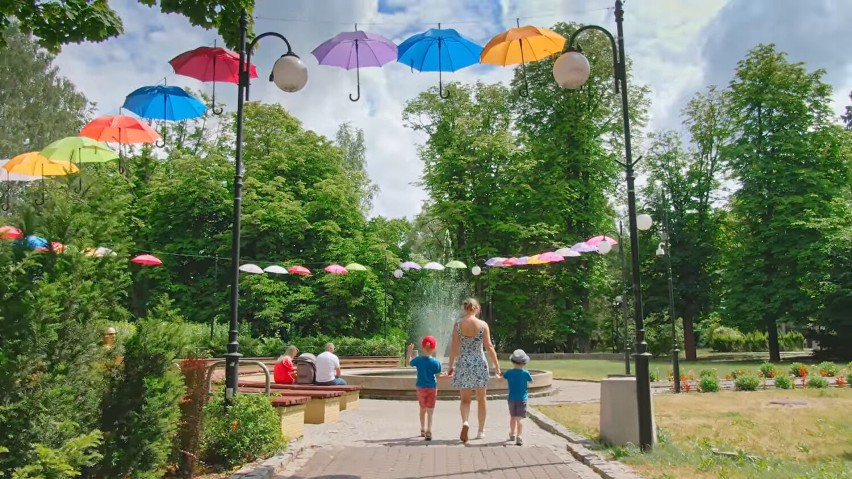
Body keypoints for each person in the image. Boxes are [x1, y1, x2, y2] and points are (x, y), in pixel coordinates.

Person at [447, 298, 501, 443]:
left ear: (464, 308)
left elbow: (454, 347)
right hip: (479, 362)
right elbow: (489, 346)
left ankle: (465, 422)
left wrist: (450, 366)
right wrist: (496, 366)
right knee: (481, 399)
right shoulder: (483, 325)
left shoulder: (458, 325)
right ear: (477, 308)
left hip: (463, 362)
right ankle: (481, 431)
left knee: (465, 400)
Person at [406, 336, 444, 441]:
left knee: (422, 409)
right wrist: (448, 376)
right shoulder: (436, 363)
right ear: (434, 348)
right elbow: (439, 377)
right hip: (432, 388)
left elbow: (407, 363)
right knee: (430, 411)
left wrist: (409, 351)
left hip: (421, 388)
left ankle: (422, 429)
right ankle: (429, 431)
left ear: (423, 347)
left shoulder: (418, 360)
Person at [500, 349, 533, 446]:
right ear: (524, 362)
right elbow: (531, 381)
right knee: (520, 419)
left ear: (512, 361)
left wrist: (497, 375)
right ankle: (519, 436)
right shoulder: (525, 373)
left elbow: (500, 380)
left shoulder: (509, 373)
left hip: (512, 398)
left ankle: (512, 433)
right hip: (522, 398)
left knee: (512, 417)